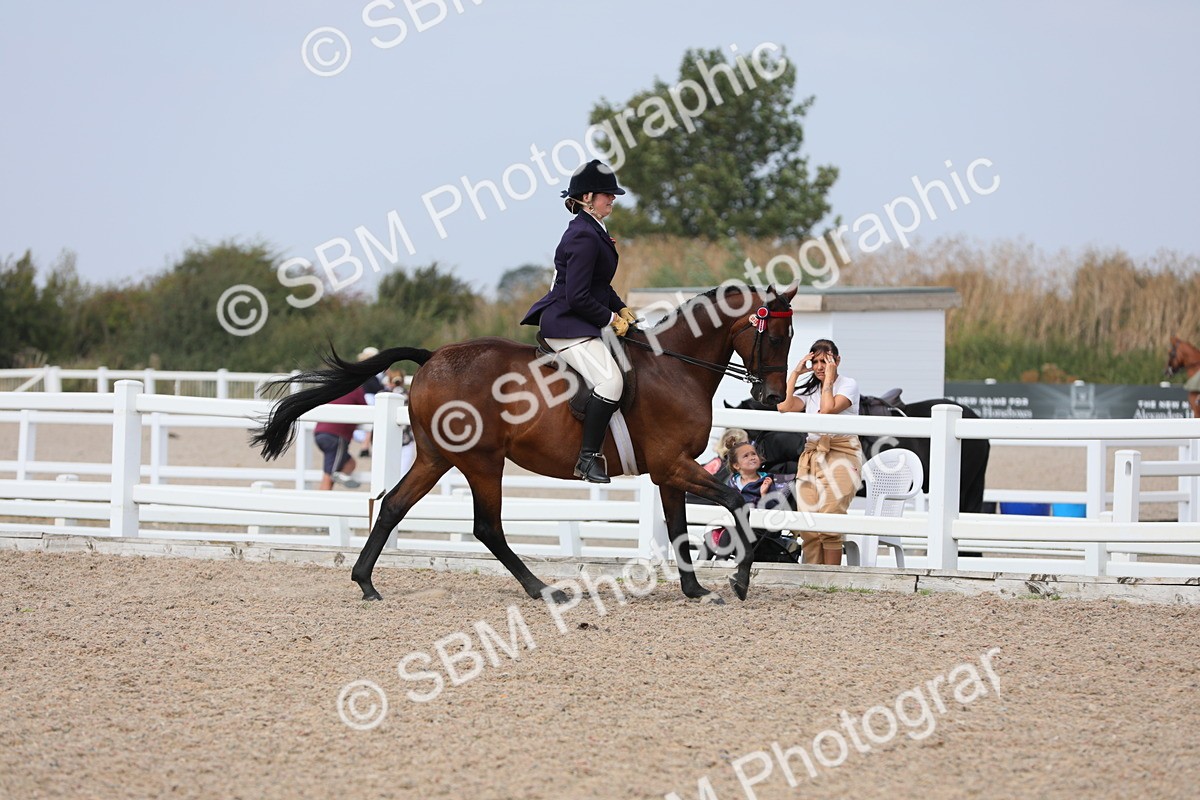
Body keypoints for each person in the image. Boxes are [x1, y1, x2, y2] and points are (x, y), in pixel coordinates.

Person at [521, 159, 637, 484]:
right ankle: (587, 459)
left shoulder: (594, 229)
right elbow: (577, 296)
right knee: (610, 383)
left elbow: (598, 285)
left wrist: (621, 308)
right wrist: (610, 318)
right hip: (567, 324)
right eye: (607, 195)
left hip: (581, 320)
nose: (612, 199)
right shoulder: (583, 236)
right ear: (587, 198)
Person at [776, 339, 863, 565]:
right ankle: (812, 577)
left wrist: (829, 381)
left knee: (830, 520)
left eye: (824, 361)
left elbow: (827, 409)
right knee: (809, 526)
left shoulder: (848, 384)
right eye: (815, 362)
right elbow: (784, 406)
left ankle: (831, 577)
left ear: (837, 361)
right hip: (812, 455)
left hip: (842, 453)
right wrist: (796, 373)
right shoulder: (810, 388)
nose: (819, 367)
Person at [314, 384, 368, 490]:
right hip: (336, 436)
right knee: (328, 477)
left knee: (350, 463)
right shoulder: (356, 389)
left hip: (320, 432)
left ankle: (339, 475)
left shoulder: (335, 386)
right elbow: (367, 411)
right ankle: (321, 499)